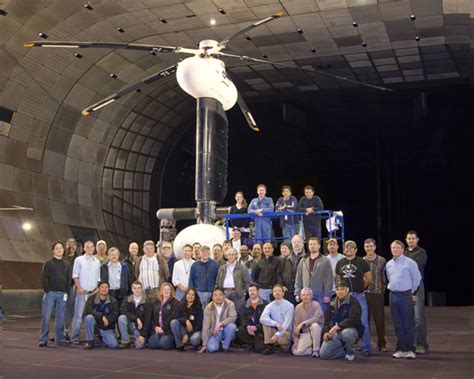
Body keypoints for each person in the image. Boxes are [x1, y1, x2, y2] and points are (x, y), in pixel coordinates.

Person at [335, 240, 372, 357]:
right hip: (345, 297)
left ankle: (366, 347)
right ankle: (346, 346)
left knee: (363, 320)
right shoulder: (340, 263)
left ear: (356, 250)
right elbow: (338, 279)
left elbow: (368, 278)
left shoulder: (362, 262)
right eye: (347, 248)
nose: (349, 249)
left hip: (359, 294)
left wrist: (360, 287)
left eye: (351, 248)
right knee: (344, 320)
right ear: (344, 249)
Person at [386, 240, 421, 359]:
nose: (395, 250)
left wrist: (410, 292)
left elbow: (416, 279)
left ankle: (410, 349)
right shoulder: (389, 264)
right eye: (392, 248)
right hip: (393, 296)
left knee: (408, 323)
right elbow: (389, 278)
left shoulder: (410, 263)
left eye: (397, 248)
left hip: (406, 296)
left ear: (402, 249)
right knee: (397, 324)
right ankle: (401, 348)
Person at [319, 278, 364, 361]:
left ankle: (350, 352)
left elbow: (353, 319)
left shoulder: (354, 303)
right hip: (334, 333)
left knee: (347, 334)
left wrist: (338, 327)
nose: (340, 292)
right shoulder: (332, 302)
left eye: (343, 289)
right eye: (338, 289)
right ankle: (344, 350)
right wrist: (325, 332)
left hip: (350, 330)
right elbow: (327, 320)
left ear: (348, 290)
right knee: (323, 354)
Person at [38, 241, 72, 347]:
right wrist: (47, 290)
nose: (59, 250)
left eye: (61, 248)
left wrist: (67, 292)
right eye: (56, 248)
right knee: (46, 316)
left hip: (63, 294)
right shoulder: (48, 263)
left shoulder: (67, 264)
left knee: (61, 317)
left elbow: (69, 279)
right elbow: (44, 277)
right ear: (53, 250)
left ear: (63, 250)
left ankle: (60, 339)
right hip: (50, 293)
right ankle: (43, 339)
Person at [71, 240, 101, 344]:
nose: (89, 249)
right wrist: (79, 288)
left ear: (94, 248)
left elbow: (98, 277)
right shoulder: (79, 260)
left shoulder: (97, 262)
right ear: (83, 248)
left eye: (91, 247)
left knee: (93, 316)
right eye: (87, 247)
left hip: (93, 294)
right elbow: (75, 275)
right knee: (78, 316)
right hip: (82, 292)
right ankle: (74, 337)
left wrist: (97, 288)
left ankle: (92, 337)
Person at [404, 230, 429, 354]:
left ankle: (422, 345)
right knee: (407, 317)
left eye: (413, 238)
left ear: (417, 239)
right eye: (409, 238)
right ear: (406, 239)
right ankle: (409, 344)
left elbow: (416, 268)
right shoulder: (402, 252)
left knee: (418, 317)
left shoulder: (421, 252)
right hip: (404, 288)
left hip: (417, 286)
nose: (411, 240)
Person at [294, 237, 333, 313]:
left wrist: (327, 294)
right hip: (305, 296)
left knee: (319, 319)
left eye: (314, 244)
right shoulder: (303, 260)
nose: (312, 246)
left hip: (320, 296)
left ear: (319, 246)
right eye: (310, 244)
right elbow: (298, 278)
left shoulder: (325, 260)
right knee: (306, 320)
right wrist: (297, 293)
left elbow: (329, 279)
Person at [363, 238, 388, 352]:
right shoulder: (361, 261)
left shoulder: (382, 260)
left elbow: (385, 277)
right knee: (364, 319)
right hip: (365, 294)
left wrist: (382, 289)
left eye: (371, 246)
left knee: (379, 320)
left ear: (375, 247)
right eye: (367, 246)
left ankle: (381, 343)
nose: (369, 248)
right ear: (364, 248)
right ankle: (365, 342)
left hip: (377, 294)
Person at [199, 288, 238, 353]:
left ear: (224, 296)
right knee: (211, 348)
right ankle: (219, 343)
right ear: (212, 297)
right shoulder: (208, 308)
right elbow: (206, 326)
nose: (218, 297)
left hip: (227, 329)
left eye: (220, 295)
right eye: (215, 295)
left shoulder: (230, 304)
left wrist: (221, 324)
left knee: (232, 326)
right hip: (215, 332)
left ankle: (225, 347)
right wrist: (204, 344)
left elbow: (233, 317)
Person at [83, 280, 119, 349]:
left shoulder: (113, 301)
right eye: (102, 287)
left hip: (106, 327)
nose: (104, 289)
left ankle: (101, 338)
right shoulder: (91, 298)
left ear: (109, 289)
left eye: (106, 287)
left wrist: (107, 319)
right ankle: (90, 341)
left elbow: (115, 315)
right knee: (89, 318)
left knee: (114, 345)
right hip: (95, 325)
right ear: (98, 289)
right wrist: (101, 316)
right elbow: (88, 311)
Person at [260, 284, 294, 355]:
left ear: (283, 293)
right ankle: (269, 346)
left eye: (279, 291)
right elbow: (262, 318)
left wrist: (277, 335)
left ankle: (283, 345)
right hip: (275, 328)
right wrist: (275, 323)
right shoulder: (269, 305)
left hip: (286, 331)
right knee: (265, 324)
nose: (277, 293)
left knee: (281, 340)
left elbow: (286, 324)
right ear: (273, 294)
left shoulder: (289, 306)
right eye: (275, 291)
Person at [216, 247, 251, 315]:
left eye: (232, 254)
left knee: (239, 313)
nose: (231, 256)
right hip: (224, 293)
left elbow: (248, 281)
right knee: (224, 313)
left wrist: (244, 293)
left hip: (237, 293)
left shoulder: (242, 267)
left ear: (236, 256)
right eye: (229, 254)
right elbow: (218, 281)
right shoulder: (222, 268)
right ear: (226, 256)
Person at [118, 281, 152, 349]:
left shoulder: (147, 302)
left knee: (139, 346)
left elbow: (148, 320)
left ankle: (138, 338)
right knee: (122, 318)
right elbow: (123, 310)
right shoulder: (127, 299)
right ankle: (125, 342)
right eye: (135, 288)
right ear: (132, 289)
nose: (137, 290)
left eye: (139, 288)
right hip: (130, 324)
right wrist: (136, 319)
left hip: (140, 328)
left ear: (142, 289)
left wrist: (143, 335)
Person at [149, 282, 182, 350]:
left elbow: (172, 317)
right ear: (161, 291)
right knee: (152, 344)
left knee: (163, 344)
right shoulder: (156, 302)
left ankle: (174, 342)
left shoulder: (175, 302)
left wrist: (163, 328)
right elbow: (151, 317)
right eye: (164, 289)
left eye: (168, 289)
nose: (166, 291)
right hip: (157, 330)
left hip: (168, 331)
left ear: (171, 291)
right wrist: (155, 327)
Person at [292, 287, 324, 357]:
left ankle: (316, 350)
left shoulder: (316, 305)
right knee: (296, 352)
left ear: (311, 296)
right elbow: (295, 326)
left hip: (316, 332)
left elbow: (317, 318)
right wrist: (295, 341)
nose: (305, 297)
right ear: (300, 296)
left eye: (307, 295)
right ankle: (310, 348)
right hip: (306, 333)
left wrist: (303, 323)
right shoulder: (298, 307)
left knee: (314, 326)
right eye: (303, 295)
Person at [238, 283, 267, 352]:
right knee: (240, 330)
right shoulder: (244, 305)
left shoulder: (265, 304)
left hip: (260, 330)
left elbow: (267, 320)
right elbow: (242, 318)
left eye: (254, 290)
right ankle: (250, 343)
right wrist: (247, 326)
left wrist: (257, 327)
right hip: (248, 329)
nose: (252, 292)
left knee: (259, 349)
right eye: (250, 291)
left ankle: (257, 344)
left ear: (258, 291)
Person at [63, 237, 79, 341]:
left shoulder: (79, 259)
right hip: (60, 287)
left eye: (73, 244)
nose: (71, 245)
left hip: (72, 287)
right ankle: (59, 331)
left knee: (69, 309)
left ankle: (65, 330)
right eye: (69, 243)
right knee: (60, 310)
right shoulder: (60, 257)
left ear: (76, 247)